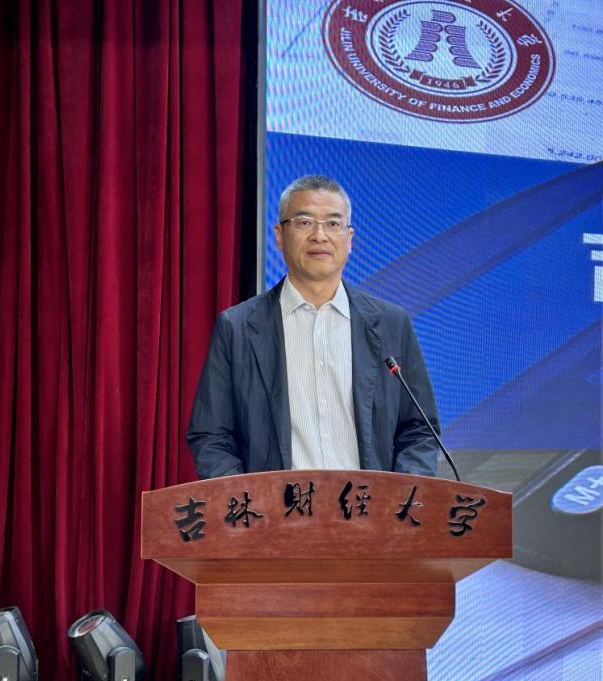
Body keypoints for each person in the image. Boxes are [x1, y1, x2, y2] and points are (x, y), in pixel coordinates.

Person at [187, 174, 441, 479]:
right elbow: (211, 435)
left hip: (370, 507)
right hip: (275, 507)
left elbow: (419, 431)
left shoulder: (390, 324)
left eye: (333, 223)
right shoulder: (238, 328)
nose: (320, 236)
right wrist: (250, 503)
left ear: (349, 239)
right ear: (279, 235)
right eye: (304, 222)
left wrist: (399, 500)